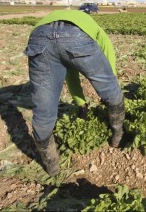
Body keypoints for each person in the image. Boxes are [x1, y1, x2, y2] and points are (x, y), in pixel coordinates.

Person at [24, 10, 125, 176]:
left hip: (39, 37)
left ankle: (52, 167)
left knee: (43, 111)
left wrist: (82, 105)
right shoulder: (86, 20)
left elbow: (71, 75)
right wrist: (110, 83)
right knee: (112, 91)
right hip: (74, 34)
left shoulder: (54, 16)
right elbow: (107, 47)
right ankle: (117, 136)